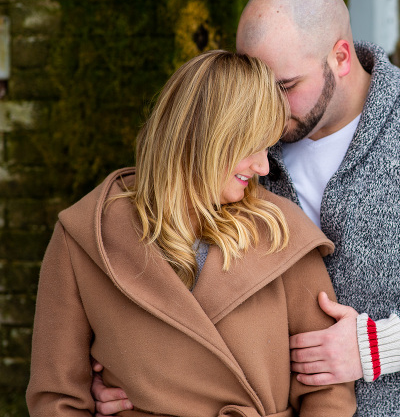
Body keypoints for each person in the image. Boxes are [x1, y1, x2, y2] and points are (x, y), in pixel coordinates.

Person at [93, 0, 400, 417]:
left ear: (341, 57)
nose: (267, 108)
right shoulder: (243, 152)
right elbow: (186, 269)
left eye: (285, 87)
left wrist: (381, 347)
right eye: (256, 86)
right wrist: (132, 373)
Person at [26, 50, 356, 416]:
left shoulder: (283, 233)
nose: (264, 166)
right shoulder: (85, 236)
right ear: (208, 136)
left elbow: (327, 392)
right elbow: (56, 399)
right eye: (254, 145)